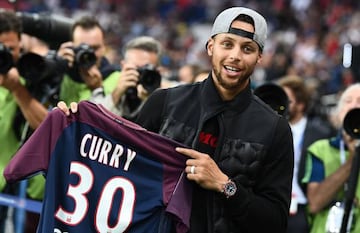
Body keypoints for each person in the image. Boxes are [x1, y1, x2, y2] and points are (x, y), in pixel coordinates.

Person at [58, 6, 294, 232]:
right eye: (227, 44)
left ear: (259, 57)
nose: (235, 56)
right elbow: (118, 169)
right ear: (211, 46)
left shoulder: (275, 129)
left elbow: (276, 221)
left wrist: (225, 185)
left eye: (247, 49)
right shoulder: (164, 103)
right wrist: (73, 126)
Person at [0, 10, 48, 233]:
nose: (7, 55)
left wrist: (17, 88)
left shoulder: (32, 75)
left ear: (21, 44)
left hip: (8, 186)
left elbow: (46, 126)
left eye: (11, 49)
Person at [277, 75, 335, 233]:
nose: (282, 105)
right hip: (274, 205)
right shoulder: (271, 130)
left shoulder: (321, 133)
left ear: (301, 104)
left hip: (303, 206)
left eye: (287, 100)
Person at [302, 83, 360, 233]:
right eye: (348, 101)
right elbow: (315, 203)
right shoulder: (320, 149)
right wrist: (352, 161)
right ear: (339, 113)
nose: (354, 106)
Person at [90, 36, 163, 121]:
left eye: (147, 70)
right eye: (136, 69)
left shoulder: (167, 96)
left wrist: (151, 101)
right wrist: (117, 94)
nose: (141, 75)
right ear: (123, 66)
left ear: (158, 72)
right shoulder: (108, 83)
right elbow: (94, 121)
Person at [57, 15, 120, 105]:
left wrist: (97, 89)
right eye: (82, 48)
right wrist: (56, 68)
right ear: (72, 46)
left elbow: (109, 117)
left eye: (95, 48)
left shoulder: (118, 79)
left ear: (104, 47)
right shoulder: (64, 74)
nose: (89, 54)